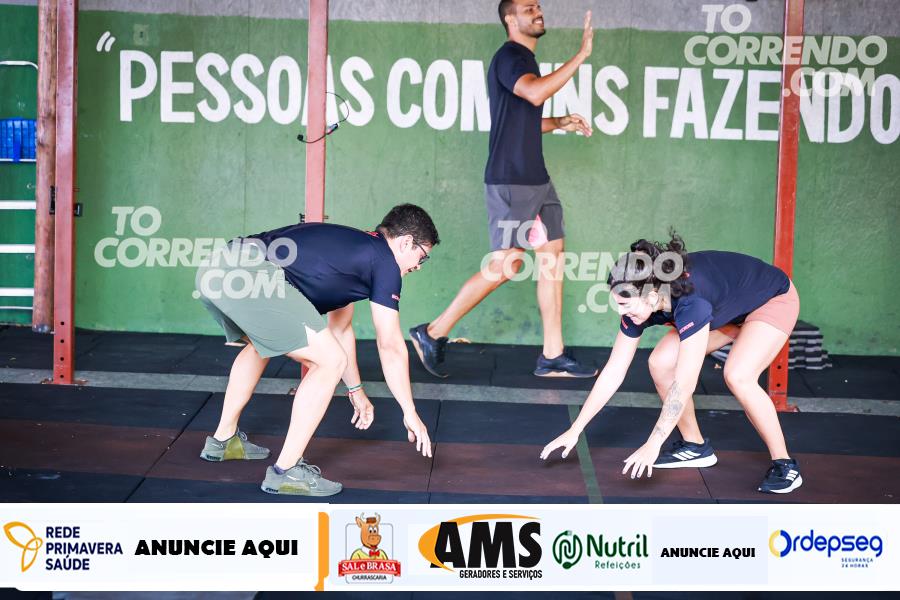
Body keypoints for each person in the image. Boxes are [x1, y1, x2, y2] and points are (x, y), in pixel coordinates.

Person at [194, 204, 439, 496]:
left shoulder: (356, 250)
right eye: (422, 256)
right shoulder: (385, 262)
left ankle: (223, 440)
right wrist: (409, 411)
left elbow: (340, 329)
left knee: (265, 344)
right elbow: (390, 345)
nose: (418, 266)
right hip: (252, 272)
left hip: (217, 268)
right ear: (406, 242)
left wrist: (356, 390)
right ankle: (286, 471)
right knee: (329, 361)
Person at [410, 0, 598, 379]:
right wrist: (581, 56)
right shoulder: (511, 56)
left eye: (538, 5)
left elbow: (520, 119)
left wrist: (559, 121)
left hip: (536, 179)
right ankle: (433, 332)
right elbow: (534, 94)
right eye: (529, 8)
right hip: (512, 180)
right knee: (507, 264)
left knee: (552, 255)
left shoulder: (525, 61)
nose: (538, 11)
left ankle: (552, 354)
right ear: (511, 19)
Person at [541, 233, 804, 494]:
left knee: (738, 375)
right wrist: (575, 429)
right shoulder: (647, 299)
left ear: (651, 297)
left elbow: (685, 383)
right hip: (727, 308)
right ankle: (695, 446)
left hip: (770, 300)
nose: (621, 311)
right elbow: (614, 371)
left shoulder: (691, 303)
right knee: (661, 363)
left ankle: (785, 464)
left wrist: (654, 442)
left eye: (625, 303)